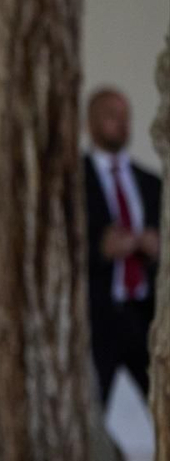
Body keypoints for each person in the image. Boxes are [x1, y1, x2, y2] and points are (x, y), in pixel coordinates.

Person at [84, 86, 160, 406]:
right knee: (91, 404)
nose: (121, 123)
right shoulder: (74, 180)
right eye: (112, 116)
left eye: (125, 116)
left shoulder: (150, 182)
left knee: (162, 398)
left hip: (142, 314)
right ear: (91, 123)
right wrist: (101, 250)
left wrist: (155, 248)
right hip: (97, 315)